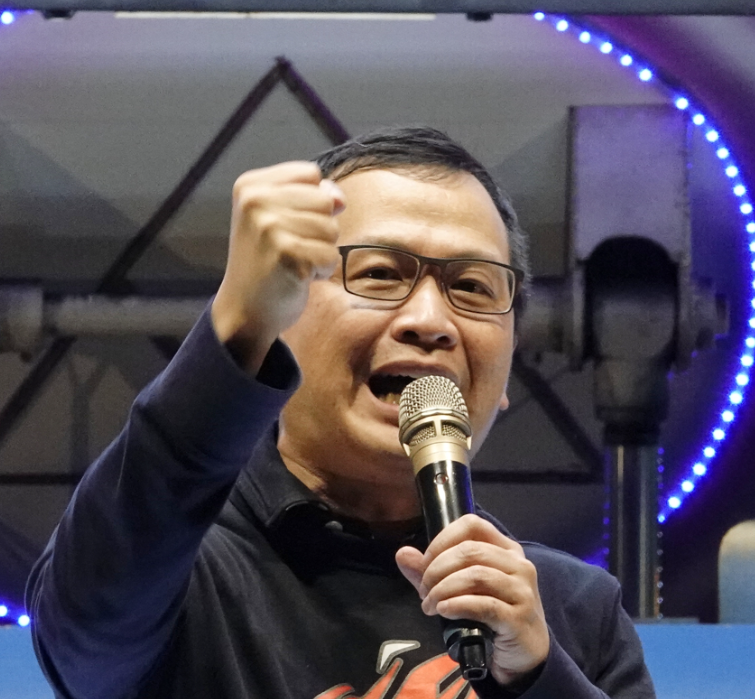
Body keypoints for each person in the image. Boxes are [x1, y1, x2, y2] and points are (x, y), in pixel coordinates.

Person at [26, 126, 656, 699]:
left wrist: (540, 680)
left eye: (471, 286)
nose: (430, 320)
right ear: (279, 322)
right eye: (380, 273)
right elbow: (88, 630)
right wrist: (235, 323)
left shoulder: (573, 611)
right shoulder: (176, 572)